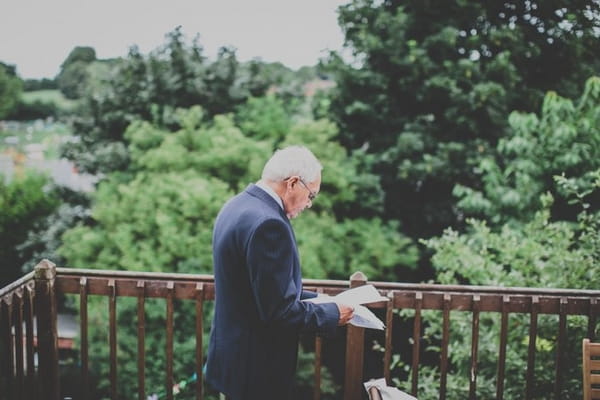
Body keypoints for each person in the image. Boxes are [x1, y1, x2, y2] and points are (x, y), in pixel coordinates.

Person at [206, 145, 354, 400]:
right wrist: (331, 313)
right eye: (311, 196)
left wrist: (320, 299)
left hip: (231, 359)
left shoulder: (236, 205)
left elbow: (259, 292)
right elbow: (279, 313)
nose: (309, 204)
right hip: (256, 370)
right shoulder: (269, 224)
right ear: (293, 183)